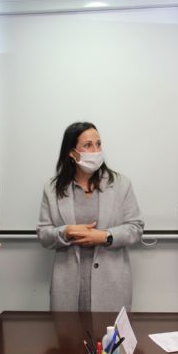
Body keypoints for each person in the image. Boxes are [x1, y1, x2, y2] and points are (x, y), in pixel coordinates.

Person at [37, 122, 144, 311]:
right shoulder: (52, 188)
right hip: (67, 287)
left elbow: (136, 228)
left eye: (99, 144)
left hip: (111, 286)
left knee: (111, 340)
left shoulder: (120, 184)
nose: (95, 150)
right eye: (88, 145)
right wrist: (66, 231)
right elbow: (44, 235)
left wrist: (105, 236)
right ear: (72, 152)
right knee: (67, 339)